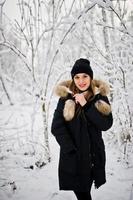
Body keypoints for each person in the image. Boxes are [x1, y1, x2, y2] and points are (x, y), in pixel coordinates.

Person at [51, 58, 113, 200]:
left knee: (86, 192)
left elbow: (106, 124)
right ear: (73, 79)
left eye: (85, 76)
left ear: (90, 77)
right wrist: (70, 149)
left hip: (93, 158)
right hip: (75, 159)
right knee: (83, 194)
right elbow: (56, 127)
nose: (81, 80)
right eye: (77, 77)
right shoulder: (66, 99)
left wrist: (86, 105)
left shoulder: (99, 97)